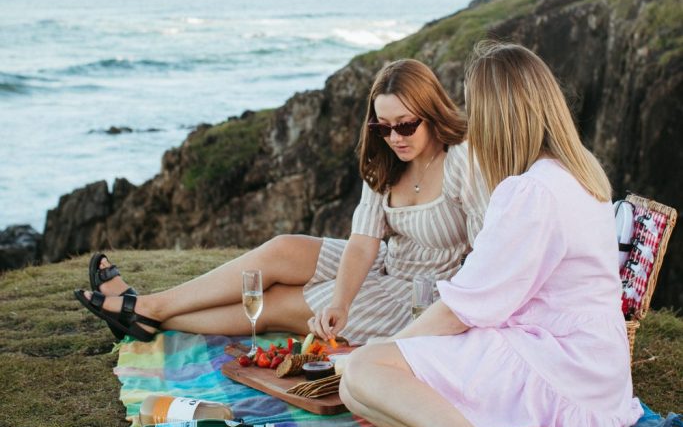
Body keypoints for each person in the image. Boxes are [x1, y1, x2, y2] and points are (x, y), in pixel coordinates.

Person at [339, 41, 642, 427]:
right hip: (590, 363)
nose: (473, 126)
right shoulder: (576, 172)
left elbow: (466, 306)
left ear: (500, 115)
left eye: (478, 110)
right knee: (356, 387)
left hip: (559, 364)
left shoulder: (531, 192)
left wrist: (391, 352)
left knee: (363, 371)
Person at [74, 58, 489, 344]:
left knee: (272, 305)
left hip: (422, 298)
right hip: (385, 263)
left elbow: (491, 251)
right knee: (282, 249)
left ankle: (146, 318)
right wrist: (343, 300)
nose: (394, 137)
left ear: (432, 113)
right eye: (383, 127)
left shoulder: (463, 161)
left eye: (406, 125)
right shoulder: (385, 157)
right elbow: (364, 242)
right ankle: (148, 306)